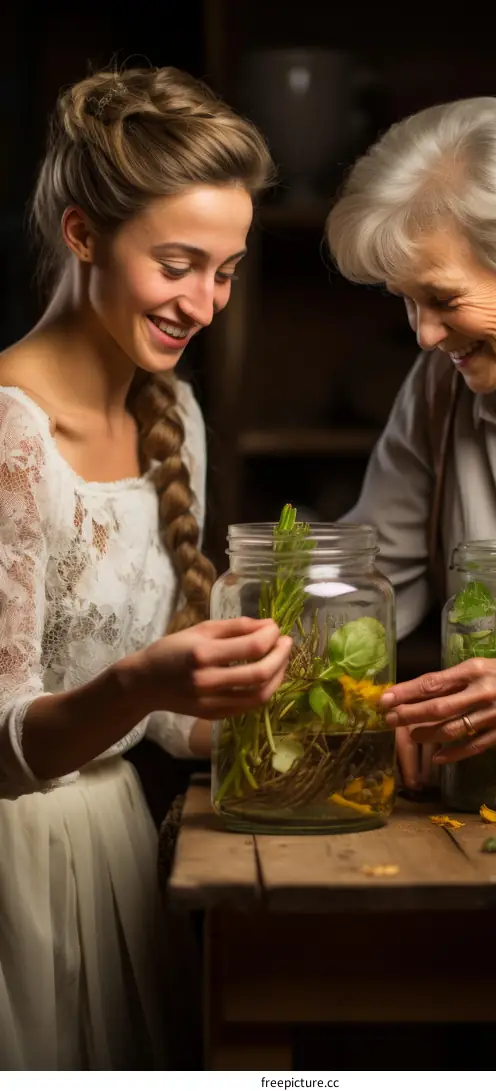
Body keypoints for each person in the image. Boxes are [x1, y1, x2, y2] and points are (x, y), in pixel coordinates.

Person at [0, 65, 292, 1069]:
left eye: (227, 270)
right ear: (84, 235)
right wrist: (142, 681)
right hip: (16, 874)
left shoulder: (175, 415)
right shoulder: (10, 434)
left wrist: (305, 713)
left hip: (117, 856)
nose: (205, 303)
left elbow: (159, 712)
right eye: (178, 264)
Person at [326, 96, 496, 794]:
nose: (423, 335)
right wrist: (368, 696)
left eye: (445, 299)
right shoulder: (439, 391)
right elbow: (369, 585)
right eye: (405, 300)